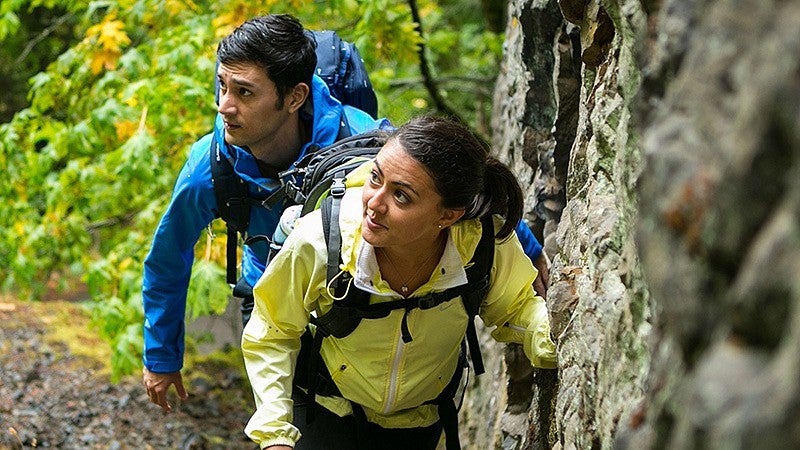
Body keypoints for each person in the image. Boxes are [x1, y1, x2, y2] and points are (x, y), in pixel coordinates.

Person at [241, 116, 558, 449]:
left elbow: (516, 308)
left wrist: (555, 341)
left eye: (401, 196)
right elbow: (273, 330)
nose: (374, 203)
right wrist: (275, 434)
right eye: (375, 178)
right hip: (325, 411)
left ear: (447, 216)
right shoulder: (321, 240)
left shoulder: (481, 244)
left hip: (421, 420)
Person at [140, 14, 392, 412]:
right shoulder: (210, 167)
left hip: (350, 297)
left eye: (244, 92)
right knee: (286, 421)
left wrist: (529, 252)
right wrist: (161, 357)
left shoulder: (361, 141)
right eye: (221, 86)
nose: (224, 106)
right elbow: (168, 257)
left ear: (294, 98)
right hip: (267, 300)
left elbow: (449, 186)